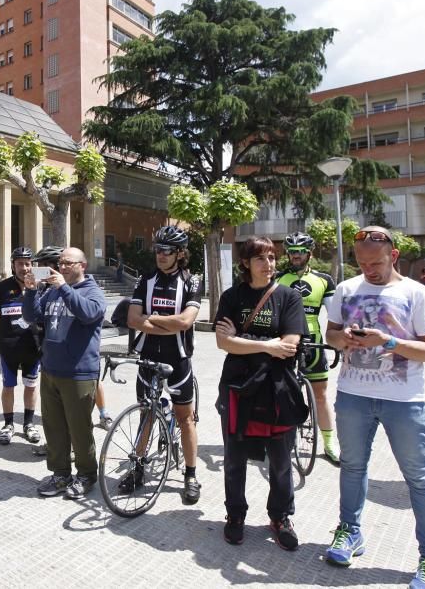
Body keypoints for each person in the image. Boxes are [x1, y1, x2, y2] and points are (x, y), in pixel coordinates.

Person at [323, 226, 425, 589]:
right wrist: (341, 339)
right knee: (352, 467)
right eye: (361, 263)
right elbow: (330, 333)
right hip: (353, 394)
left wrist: (389, 340)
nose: (368, 270)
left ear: (393, 256)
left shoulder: (417, 293)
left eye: (375, 263)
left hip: (404, 401)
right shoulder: (346, 289)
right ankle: (350, 532)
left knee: (419, 479)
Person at [214, 236, 307, 551]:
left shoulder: (289, 298)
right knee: (234, 458)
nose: (268, 264)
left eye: (271, 258)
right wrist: (268, 344)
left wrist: (244, 340)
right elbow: (223, 343)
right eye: (260, 259)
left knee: (280, 461)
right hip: (237, 388)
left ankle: (280, 516)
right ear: (245, 263)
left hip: (277, 389)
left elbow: (290, 344)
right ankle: (235, 514)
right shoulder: (232, 297)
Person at [126, 225, 202, 504]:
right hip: (148, 358)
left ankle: (191, 475)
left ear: (179, 253)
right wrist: (166, 324)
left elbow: (185, 322)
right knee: (146, 414)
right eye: (157, 250)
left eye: (166, 251)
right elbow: (133, 319)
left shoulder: (191, 281)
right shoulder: (145, 278)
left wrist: (152, 318)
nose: (160, 255)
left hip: (178, 360)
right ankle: (137, 469)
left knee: (185, 419)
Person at [23, 247, 106, 499]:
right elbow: (31, 317)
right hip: (51, 370)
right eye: (60, 263)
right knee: (54, 427)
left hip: (79, 373)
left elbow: (89, 313)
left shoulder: (93, 292)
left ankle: (86, 475)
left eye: (68, 263)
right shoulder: (51, 291)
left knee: (80, 429)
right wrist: (29, 290)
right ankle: (60, 473)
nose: (63, 267)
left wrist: (63, 288)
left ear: (83, 264)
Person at [277, 231, 340, 463]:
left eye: (300, 251)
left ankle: (329, 442)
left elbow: (335, 315)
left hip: (313, 342)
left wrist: (340, 340)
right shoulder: (278, 278)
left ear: (309, 254)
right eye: (292, 251)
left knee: (321, 396)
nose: (296, 255)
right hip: (286, 341)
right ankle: (277, 439)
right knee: (280, 394)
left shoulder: (324, 280)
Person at [0, 247, 42, 445]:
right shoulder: (3, 286)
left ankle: (28, 424)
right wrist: (7, 332)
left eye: (28, 263)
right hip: (8, 347)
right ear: (13, 265)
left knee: (31, 386)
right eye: (20, 263)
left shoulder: (40, 286)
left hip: (33, 346)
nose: (24, 267)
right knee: (8, 386)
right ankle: (8, 424)